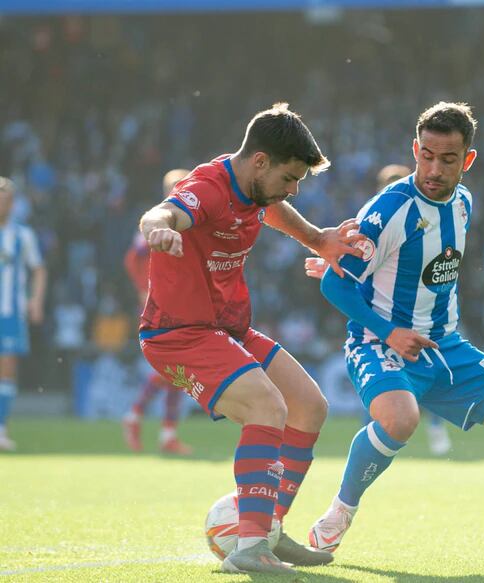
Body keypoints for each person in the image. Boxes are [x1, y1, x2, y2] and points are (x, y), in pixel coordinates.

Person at [304, 102, 484, 563]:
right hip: (379, 342)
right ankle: (339, 513)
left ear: (469, 160)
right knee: (400, 420)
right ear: (414, 149)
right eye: (427, 156)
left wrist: (369, 267)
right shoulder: (389, 208)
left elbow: (420, 267)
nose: (434, 169)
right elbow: (333, 285)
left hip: (443, 346)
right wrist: (390, 330)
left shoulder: (463, 202)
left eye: (448, 159)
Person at [138, 103, 363, 574]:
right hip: (179, 335)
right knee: (268, 407)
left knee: (309, 406)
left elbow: (272, 208)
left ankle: (269, 530)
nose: (294, 188)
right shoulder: (206, 188)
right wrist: (159, 230)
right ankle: (249, 548)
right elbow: (161, 213)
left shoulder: (254, 191)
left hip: (225, 329)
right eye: (291, 176)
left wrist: (319, 239)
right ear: (260, 161)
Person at [359, 163, 454, 456]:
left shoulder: (424, 218)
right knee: (381, 387)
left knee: (423, 380)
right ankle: (372, 438)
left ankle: (436, 428)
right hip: (378, 322)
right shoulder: (372, 218)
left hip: (414, 319)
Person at [122, 168, 193, 455]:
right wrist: (143, 288)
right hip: (160, 303)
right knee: (175, 367)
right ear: (168, 190)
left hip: (180, 301)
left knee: (178, 369)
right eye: (178, 186)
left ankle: (161, 430)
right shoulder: (158, 219)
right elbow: (133, 258)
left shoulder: (187, 220)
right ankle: (142, 418)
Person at [0, 177, 46, 452]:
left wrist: (36, 301)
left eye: (6, 200)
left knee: (6, 372)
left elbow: (38, 269)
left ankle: (1, 429)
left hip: (10, 313)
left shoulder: (22, 235)